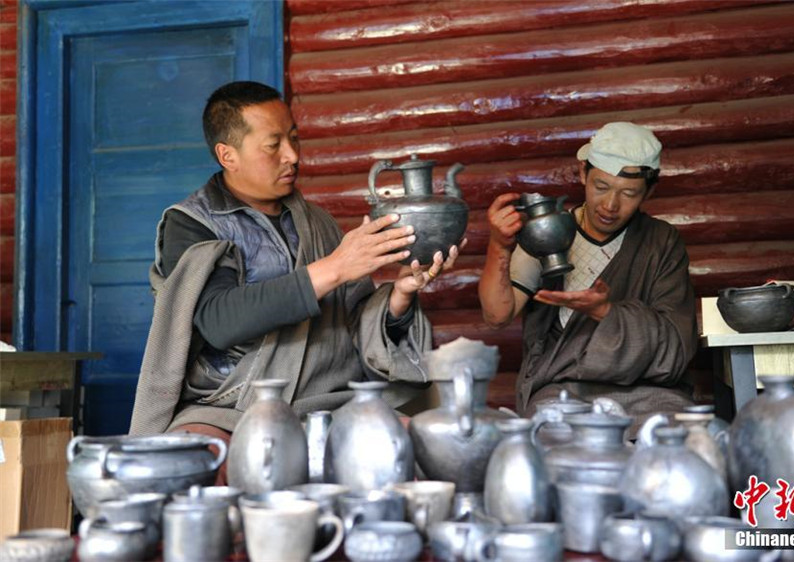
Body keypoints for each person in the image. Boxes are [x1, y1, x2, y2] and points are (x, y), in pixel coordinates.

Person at [130, 81, 458, 447]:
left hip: (331, 401)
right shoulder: (194, 223)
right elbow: (217, 321)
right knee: (198, 460)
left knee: (418, 445)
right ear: (228, 156)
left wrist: (399, 295)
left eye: (294, 139)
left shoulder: (317, 223)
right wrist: (334, 268)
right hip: (229, 410)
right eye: (274, 145)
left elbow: (354, 321)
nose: (292, 155)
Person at [478, 122, 698, 435]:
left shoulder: (660, 241)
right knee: (550, 440)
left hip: (648, 393)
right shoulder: (549, 232)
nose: (610, 205)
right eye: (601, 187)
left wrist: (605, 312)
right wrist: (499, 246)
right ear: (583, 174)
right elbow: (497, 315)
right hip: (564, 389)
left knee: (680, 439)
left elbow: (676, 345)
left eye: (628, 193)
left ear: (650, 191)